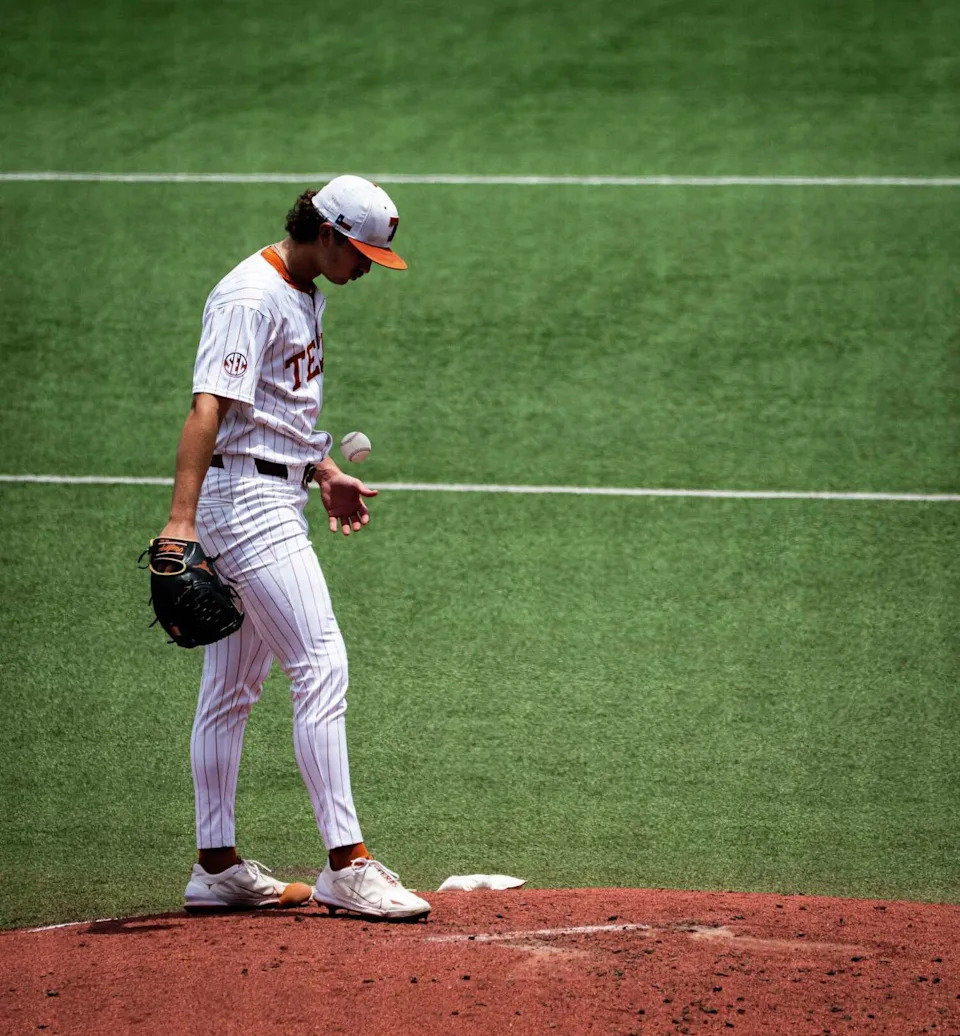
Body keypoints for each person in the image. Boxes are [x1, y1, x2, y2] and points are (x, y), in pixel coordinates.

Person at [157, 175, 430, 920]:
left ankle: (215, 867)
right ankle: (348, 862)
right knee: (320, 662)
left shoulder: (304, 287)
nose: (368, 267)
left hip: (273, 489)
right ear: (327, 233)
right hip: (243, 504)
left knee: (234, 687)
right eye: (362, 252)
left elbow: (272, 411)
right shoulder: (249, 296)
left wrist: (325, 469)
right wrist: (180, 525)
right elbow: (208, 408)